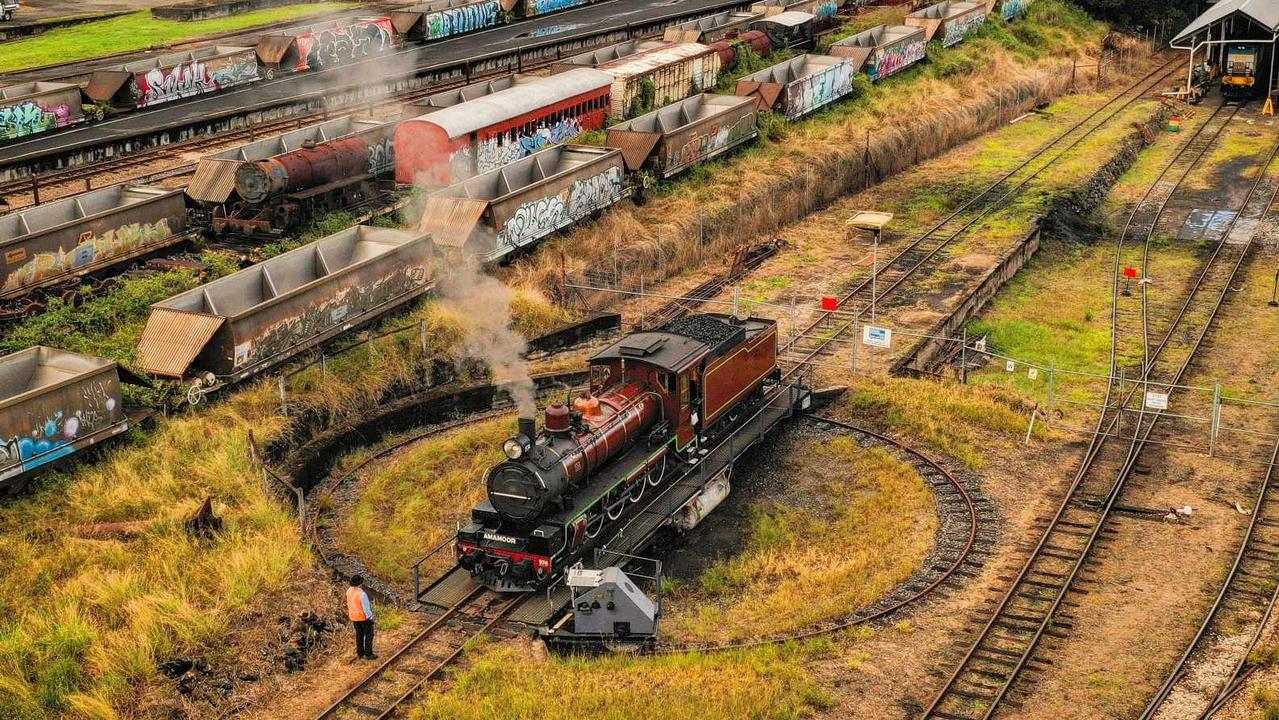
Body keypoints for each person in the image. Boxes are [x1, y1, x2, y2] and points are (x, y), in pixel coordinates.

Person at [346, 575, 377, 660]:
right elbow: (366, 608)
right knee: (369, 635)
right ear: (360, 583)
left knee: (359, 636)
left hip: (354, 617)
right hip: (363, 617)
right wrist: (371, 617)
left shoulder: (348, 591)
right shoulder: (362, 594)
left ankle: (360, 653)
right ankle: (368, 654)